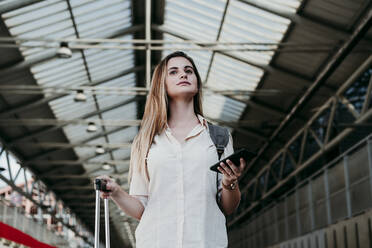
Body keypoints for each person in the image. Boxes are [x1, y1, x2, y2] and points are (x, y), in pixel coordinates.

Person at [97, 51, 246, 248]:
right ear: (162, 84)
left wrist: (230, 183)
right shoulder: (145, 140)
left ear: (197, 83)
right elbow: (141, 208)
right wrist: (116, 192)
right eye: (173, 72)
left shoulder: (219, 138)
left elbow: (228, 206)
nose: (183, 75)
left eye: (189, 71)